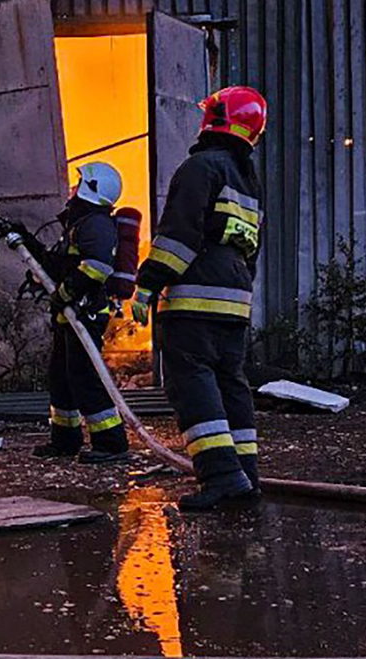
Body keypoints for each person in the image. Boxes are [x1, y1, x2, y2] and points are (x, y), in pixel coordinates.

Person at [129, 86, 268, 511]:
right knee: (231, 385)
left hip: (194, 301)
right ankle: (245, 474)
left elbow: (179, 237)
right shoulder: (247, 180)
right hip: (234, 302)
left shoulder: (200, 168)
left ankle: (222, 477)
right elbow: (250, 249)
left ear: (216, 118)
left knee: (193, 384)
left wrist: (148, 283)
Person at [34, 161, 139, 465]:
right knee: (62, 377)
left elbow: (97, 267)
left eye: (79, 183)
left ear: (90, 190)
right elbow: (62, 265)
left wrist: (65, 293)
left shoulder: (95, 223)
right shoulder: (79, 223)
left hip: (87, 312)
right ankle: (65, 439)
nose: (73, 188)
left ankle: (111, 442)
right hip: (72, 313)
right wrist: (25, 240)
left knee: (84, 377)